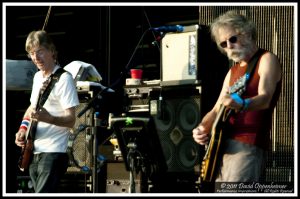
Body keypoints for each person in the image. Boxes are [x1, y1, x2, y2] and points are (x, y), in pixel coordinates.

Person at [192, 10, 282, 190]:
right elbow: (217, 108)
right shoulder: (232, 72)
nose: (229, 46)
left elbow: (265, 98)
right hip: (221, 146)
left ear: (247, 32)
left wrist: (243, 103)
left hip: (248, 145)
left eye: (232, 39)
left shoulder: (266, 59)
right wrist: (202, 128)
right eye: (223, 44)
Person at [15, 30, 80, 193]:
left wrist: (48, 118)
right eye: (31, 53)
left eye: (40, 51)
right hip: (34, 151)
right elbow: (31, 108)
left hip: (53, 152)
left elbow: (71, 120)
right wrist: (22, 130)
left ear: (51, 51)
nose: (35, 57)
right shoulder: (38, 77)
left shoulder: (65, 79)